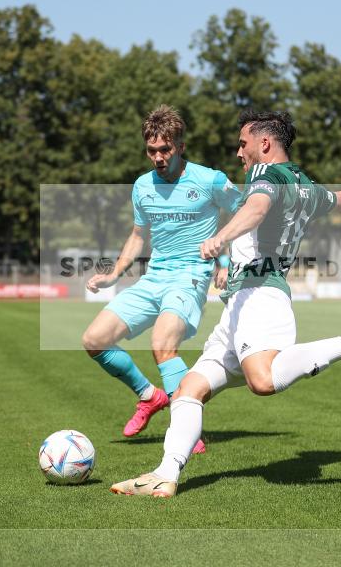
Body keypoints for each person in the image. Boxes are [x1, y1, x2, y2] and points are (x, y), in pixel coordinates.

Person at [111, 110, 341, 498]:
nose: (239, 152)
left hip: (259, 293)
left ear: (264, 144)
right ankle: (165, 474)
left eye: (243, 143)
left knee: (263, 380)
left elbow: (256, 208)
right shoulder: (305, 184)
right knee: (190, 387)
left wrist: (220, 238)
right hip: (242, 301)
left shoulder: (265, 174)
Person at [81, 105, 241, 453]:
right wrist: (113, 276)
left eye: (164, 149)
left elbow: (245, 212)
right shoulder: (142, 186)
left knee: (162, 344)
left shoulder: (210, 179)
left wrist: (226, 259)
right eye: (151, 150)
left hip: (191, 277)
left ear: (180, 146)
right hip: (154, 277)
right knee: (94, 339)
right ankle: (149, 396)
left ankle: (187, 431)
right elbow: (138, 236)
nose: (157, 156)